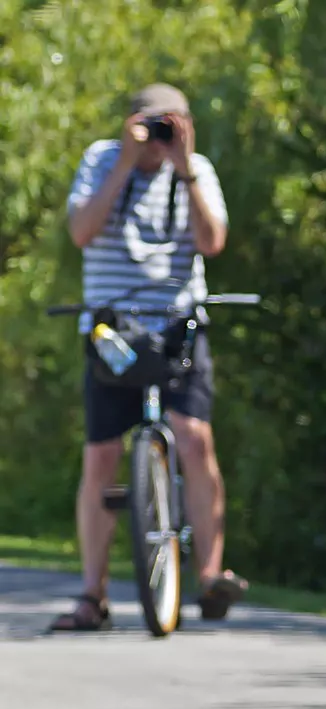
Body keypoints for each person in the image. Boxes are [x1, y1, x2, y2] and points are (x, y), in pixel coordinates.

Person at [51, 82, 247, 631]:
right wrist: (126, 160)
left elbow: (212, 242)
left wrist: (182, 165)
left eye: (171, 125)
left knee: (194, 436)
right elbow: (83, 232)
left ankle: (210, 576)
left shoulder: (195, 169)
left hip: (179, 326)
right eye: (153, 125)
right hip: (112, 331)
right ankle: (94, 595)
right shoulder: (101, 161)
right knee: (101, 456)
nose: (161, 136)